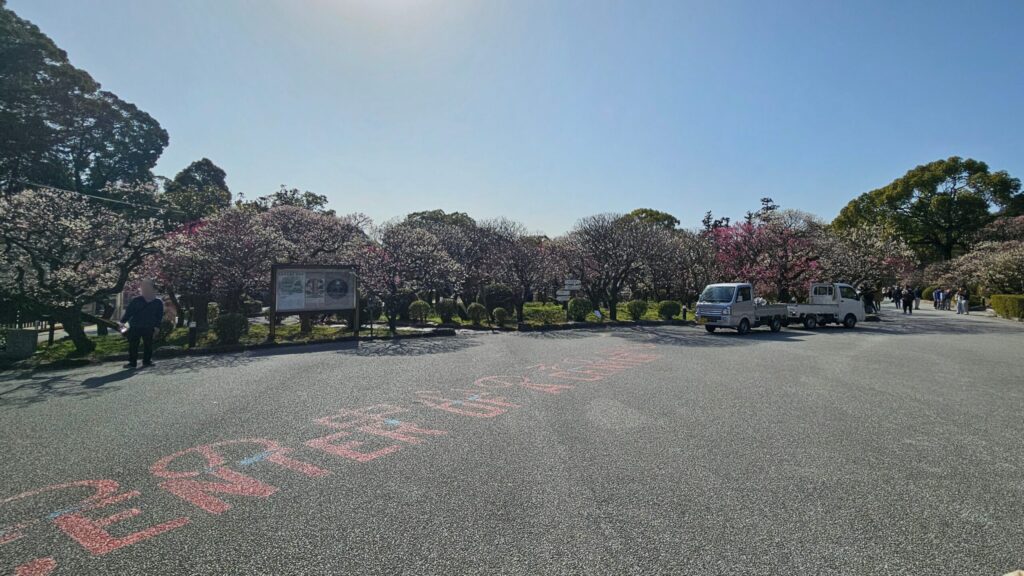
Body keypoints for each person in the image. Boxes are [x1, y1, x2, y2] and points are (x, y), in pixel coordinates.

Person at [120, 279, 164, 369]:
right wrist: (122, 323)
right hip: (135, 326)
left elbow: (159, 316)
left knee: (148, 345)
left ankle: (147, 361)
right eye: (143, 286)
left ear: (152, 288)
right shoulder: (136, 300)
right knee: (133, 345)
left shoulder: (158, 302)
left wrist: (157, 327)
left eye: (147, 286)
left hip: (149, 327)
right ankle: (132, 362)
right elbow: (129, 313)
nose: (145, 288)